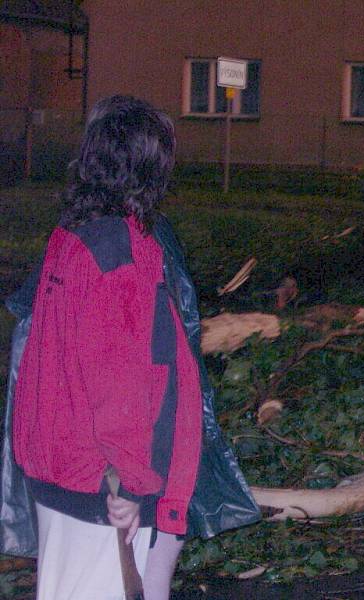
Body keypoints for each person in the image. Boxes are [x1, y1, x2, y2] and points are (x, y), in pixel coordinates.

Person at [0, 96, 261, 599]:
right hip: (101, 484)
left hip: (62, 470)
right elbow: (120, 378)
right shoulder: (124, 251)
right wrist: (131, 481)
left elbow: (38, 349)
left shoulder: (71, 235)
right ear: (151, 168)